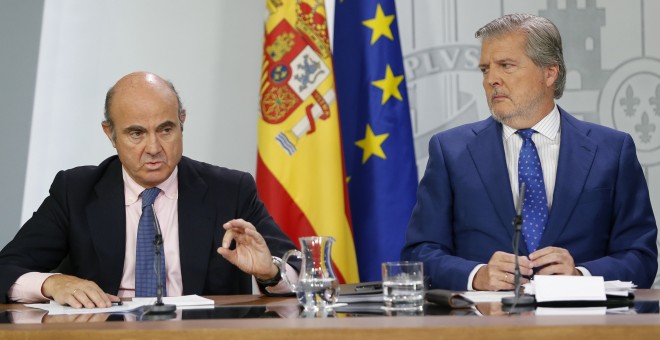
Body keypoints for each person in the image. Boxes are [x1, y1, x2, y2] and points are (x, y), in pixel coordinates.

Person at [402, 14, 658, 291]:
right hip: (484, 329)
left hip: (583, 327)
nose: (491, 80)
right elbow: (419, 253)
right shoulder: (450, 151)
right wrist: (476, 275)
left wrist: (582, 276)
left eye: (506, 66)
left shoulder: (613, 151)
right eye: (485, 69)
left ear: (549, 73)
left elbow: (641, 257)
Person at [0, 72, 299, 307]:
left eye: (166, 130)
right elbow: (6, 268)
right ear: (110, 133)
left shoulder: (230, 190)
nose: (154, 148)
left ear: (182, 121)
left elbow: (302, 272)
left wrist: (270, 272)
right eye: (136, 133)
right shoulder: (75, 191)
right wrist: (52, 283)